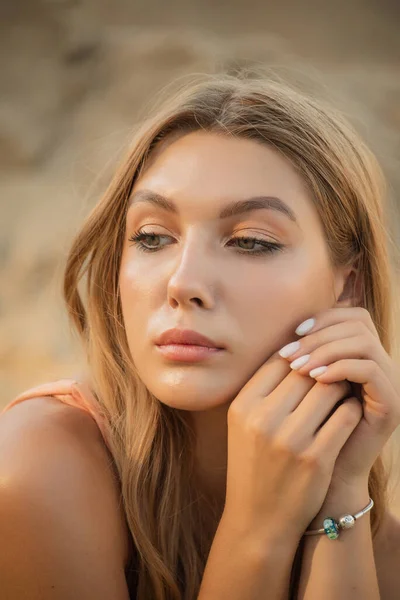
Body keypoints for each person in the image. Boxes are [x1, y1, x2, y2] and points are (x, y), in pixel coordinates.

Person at [1, 68, 400, 600]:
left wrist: (342, 490)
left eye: (251, 241)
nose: (183, 281)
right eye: (152, 236)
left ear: (346, 287)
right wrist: (257, 528)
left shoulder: (382, 548)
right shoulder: (38, 468)